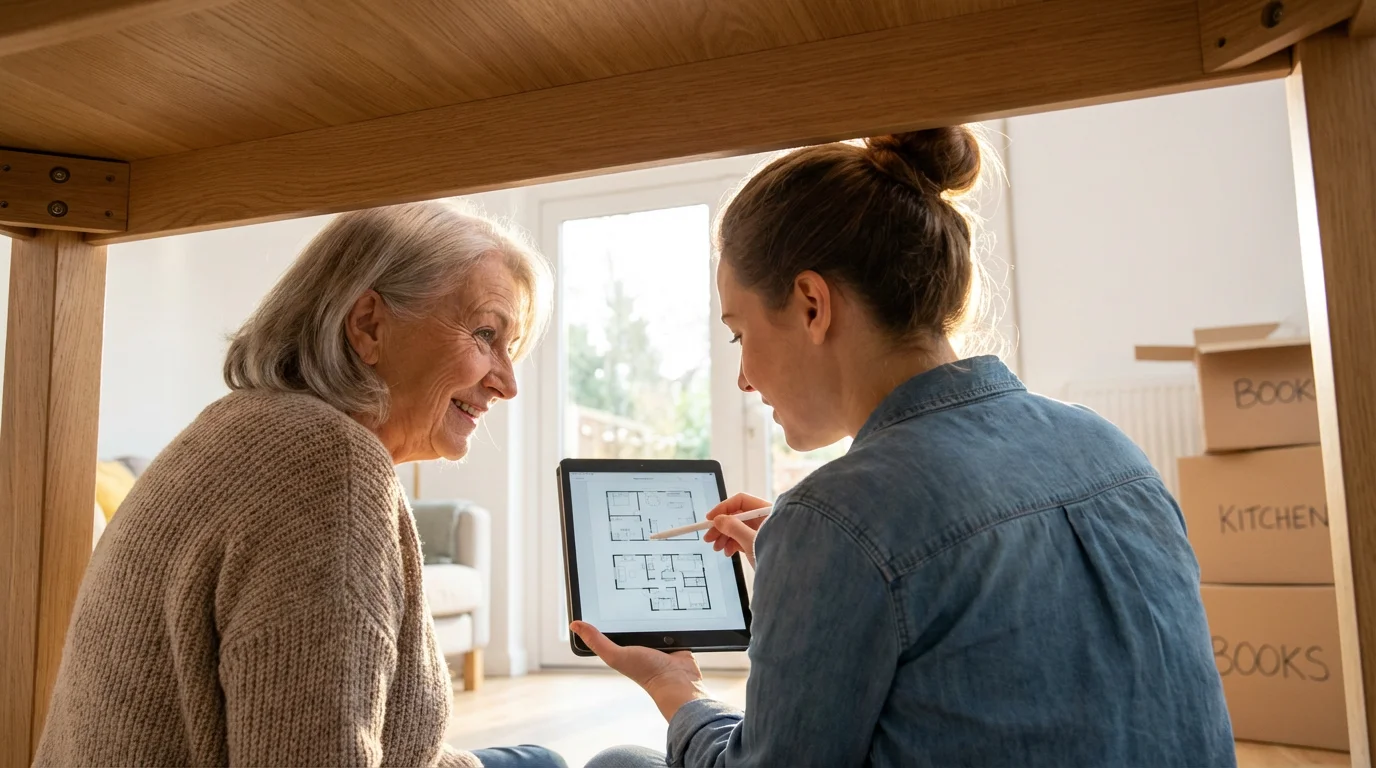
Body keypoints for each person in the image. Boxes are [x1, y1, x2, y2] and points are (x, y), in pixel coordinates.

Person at [574, 127, 1234, 767]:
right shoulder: (1108, 446)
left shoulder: (839, 518)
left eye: (739, 333)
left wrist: (673, 686)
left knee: (617, 761)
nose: (743, 376)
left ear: (811, 305)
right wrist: (816, 559)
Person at [36, 202, 568, 768]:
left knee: (541, 759)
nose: (507, 383)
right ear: (368, 325)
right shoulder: (327, 467)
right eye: (486, 334)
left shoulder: (248, 422)